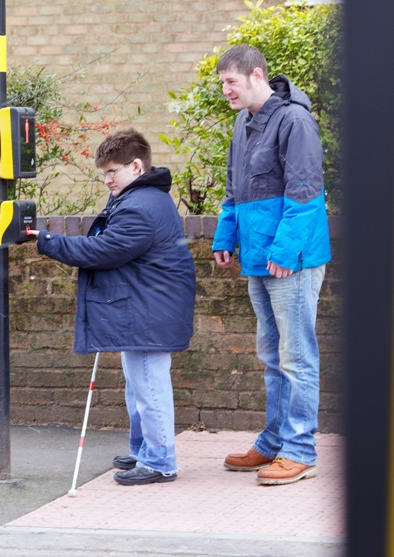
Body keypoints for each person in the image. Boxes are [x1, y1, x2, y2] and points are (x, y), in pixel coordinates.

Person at [27, 128, 196, 486]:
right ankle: (144, 450)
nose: (107, 180)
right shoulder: (142, 198)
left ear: (135, 166)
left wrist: (47, 240)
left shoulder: (140, 207)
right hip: (146, 305)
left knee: (148, 386)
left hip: (149, 309)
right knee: (137, 387)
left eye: (112, 171)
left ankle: (161, 461)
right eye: (104, 172)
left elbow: (103, 251)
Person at [212, 45, 331, 486]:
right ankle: (274, 442)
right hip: (259, 259)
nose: (226, 90)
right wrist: (226, 238)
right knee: (271, 354)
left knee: (296, 356)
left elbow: (304, 194)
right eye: (222, 82)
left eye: (232, 82)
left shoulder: (294, 121)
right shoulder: (243, 124)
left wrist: (283, 253)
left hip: (290, 261)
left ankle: (300, 450)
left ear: (256, 76)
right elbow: (233, 190)